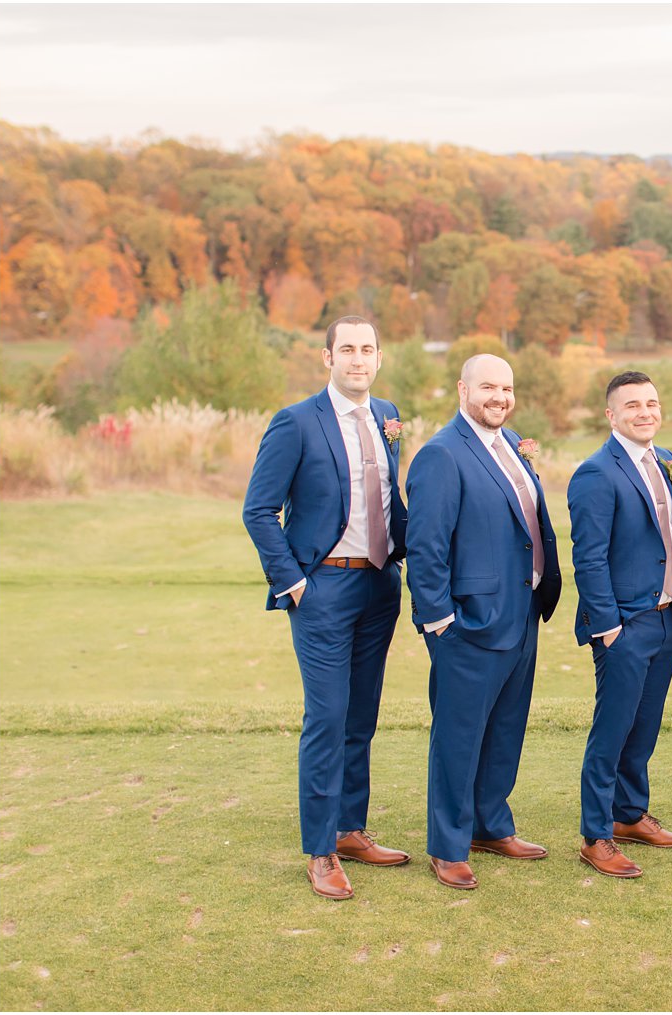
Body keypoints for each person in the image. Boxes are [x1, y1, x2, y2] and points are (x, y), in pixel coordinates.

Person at [242, 316, 410, 900]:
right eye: (347, 349)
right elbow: (258, 511)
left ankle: (350, 829)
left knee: (361, 717)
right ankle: (320, 852)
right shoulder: (295, 422)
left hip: (379, 586)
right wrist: (292, 583)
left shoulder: (388, 415)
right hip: (323, 591)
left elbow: (392, 502)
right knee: (328, 718)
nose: (358, 359)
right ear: (327, 357)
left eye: (368, 348)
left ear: (378, 357)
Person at [405, 354, 562, 890]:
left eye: (507, 388)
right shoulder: (441, 455)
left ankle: (490, 825)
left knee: (505, 730)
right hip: (468, 624)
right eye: (488, 387)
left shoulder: (512, 445)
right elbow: (424, 546)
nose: (499, 397)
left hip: (521, 614)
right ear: (462, 389)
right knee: (459, 736)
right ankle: (448, 845)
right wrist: (440, 621)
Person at [568, 371, 672, 878]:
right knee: (612, 731)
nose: (645, 412)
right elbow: (589, 558)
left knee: (643, 729)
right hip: (623, 625)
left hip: (664, 620)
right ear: (611, 415)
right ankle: (596, 835)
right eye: (633, 405)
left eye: (651, 403)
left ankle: (629, 815)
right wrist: (609, 627)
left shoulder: (662, 464)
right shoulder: (597, 473)